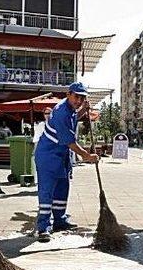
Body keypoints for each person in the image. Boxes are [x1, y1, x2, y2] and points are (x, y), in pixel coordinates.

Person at [34, 82, 99, 243]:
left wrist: (83, 111)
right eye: (77, 96)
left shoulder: (70, 109)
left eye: (82, 98)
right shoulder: (62, 111)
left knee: (62, 188)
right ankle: (43, 227)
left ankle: (60, 221)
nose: (79, 100)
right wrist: (86, 156)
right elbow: (69, 141)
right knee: (47, 191)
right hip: (48, 156)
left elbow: (73, 119)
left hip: (60, 156)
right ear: (68, 94)